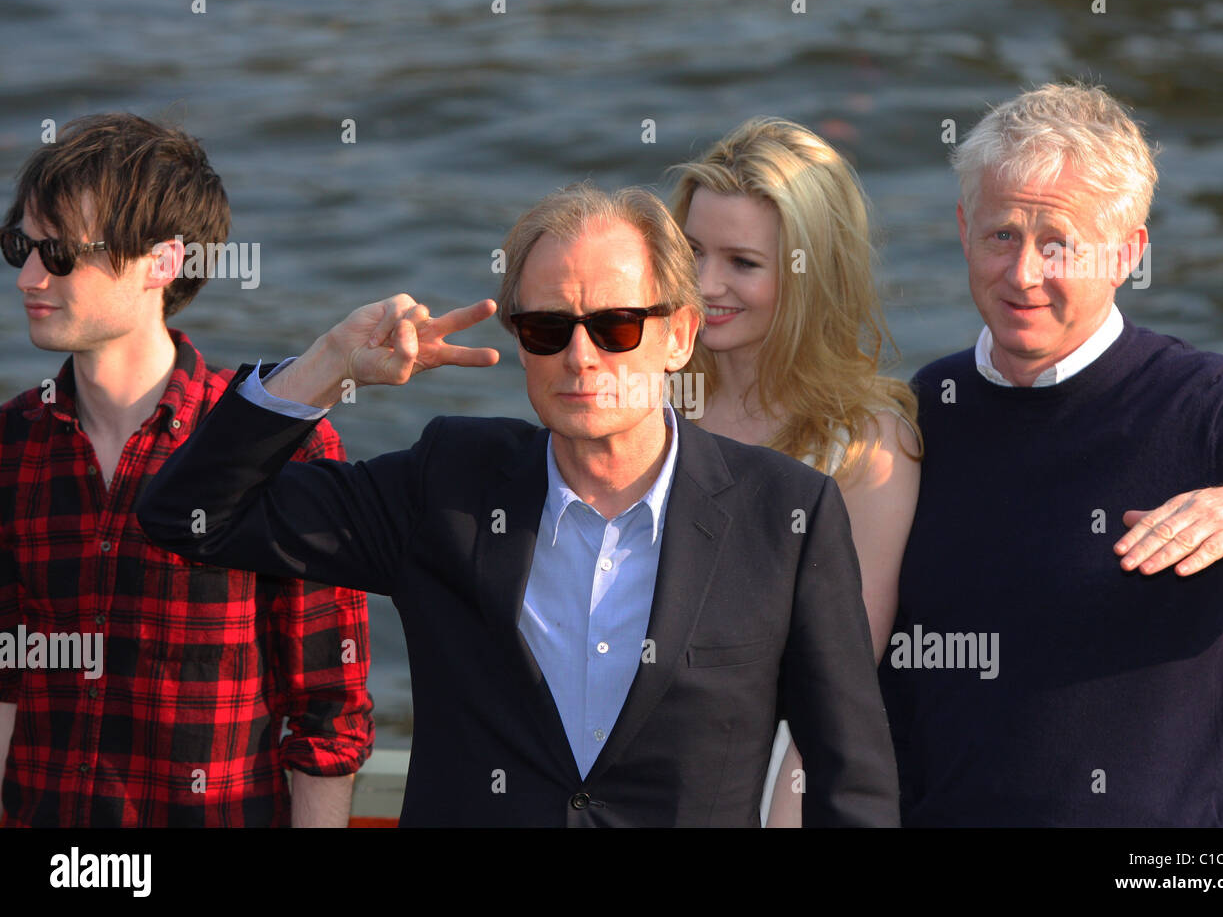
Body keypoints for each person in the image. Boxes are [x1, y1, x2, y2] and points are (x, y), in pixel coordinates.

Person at [137, 183, 901, 826]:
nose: (580, 354)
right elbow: (193, 515)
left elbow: (849, 779)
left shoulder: (786, 514)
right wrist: (327, 366)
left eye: (616, 325)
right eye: (547, 328)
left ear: (681, 335)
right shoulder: (446, 486)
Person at [879, 82, 1223, 826]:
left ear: (1128, 254)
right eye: (1001, 234)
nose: (1023, 274)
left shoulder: (1207, 406)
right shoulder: (923, 407)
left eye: (1058, 244)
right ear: (961, 228)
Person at [0, 114, 373, 827]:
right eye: (19, 245)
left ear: (162, 264)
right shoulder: (11, 445)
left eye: (58, 251)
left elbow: (327, 711)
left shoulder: (282, 446)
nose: (27, 276)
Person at [667, 117, 921, 827]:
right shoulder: (642, 397)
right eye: (690, 252)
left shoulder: (867, 444)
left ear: (813, 272)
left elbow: (830, 699)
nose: (704, 283)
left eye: (743, 263)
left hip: (758, 775)